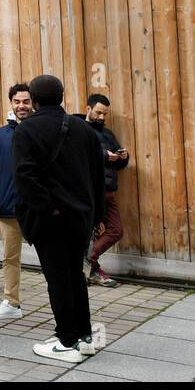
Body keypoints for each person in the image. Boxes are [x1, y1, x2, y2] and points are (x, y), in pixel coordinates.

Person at [14, 74, 107, 364]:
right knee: (75, 276)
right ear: (62, 96)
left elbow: (24, 178)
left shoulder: (27, 130)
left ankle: (66, 340)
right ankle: (84, 336)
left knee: (58, 279)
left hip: (51, 218)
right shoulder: (84, 130)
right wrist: (96, 214)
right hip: (81, 217)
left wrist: (47, 209)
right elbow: (97, 176)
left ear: (36, 100)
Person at [0, 82, 33, 320]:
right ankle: (12, 303)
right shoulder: (1, 135)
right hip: (9, 207)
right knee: (9, 258)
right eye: (17, 101)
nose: (21, 106)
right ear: (11, 103)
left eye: (26, 101)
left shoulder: (39, 130)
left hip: (38, 208)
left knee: (52, 258)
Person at [77, 94, 129, 287]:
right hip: (89, 191)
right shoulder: (79, 130)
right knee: (89, 233)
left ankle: (87, 259)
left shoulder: (107, 134)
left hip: (107, 191)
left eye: (104, 114)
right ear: (88, 108)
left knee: (116, 230)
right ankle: (92, 270)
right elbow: (80, 156)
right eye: (98, 112)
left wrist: (123, 157)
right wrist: (103, 156)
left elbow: (117, 162)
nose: (101, 117)